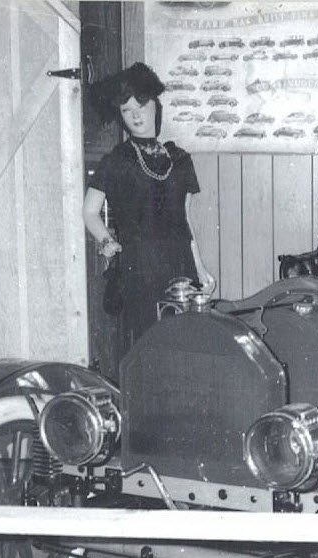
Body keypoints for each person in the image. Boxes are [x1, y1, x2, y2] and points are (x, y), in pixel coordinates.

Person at [83, 62, 215, 365]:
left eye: (141, 106)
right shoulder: (116, 161)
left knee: (182, 347)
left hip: (179, 265)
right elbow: (89, 211)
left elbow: (185, 221)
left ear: (156, 105)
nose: (136, 116)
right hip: (138, 267)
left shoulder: (180, 160)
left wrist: (200, 268)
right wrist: (106, 241)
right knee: (145, 347)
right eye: (126, 110)